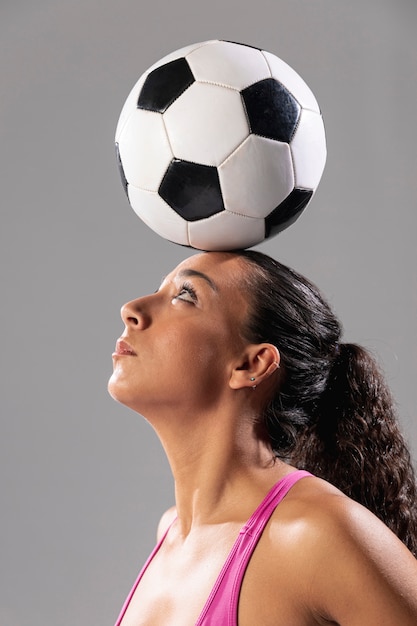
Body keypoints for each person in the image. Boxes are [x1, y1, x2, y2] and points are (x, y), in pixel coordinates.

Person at [108, 250, 417, 626]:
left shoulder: (313, 532)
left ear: (250, 365)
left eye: (185, 296)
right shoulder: (172, 531)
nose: (131, 309)